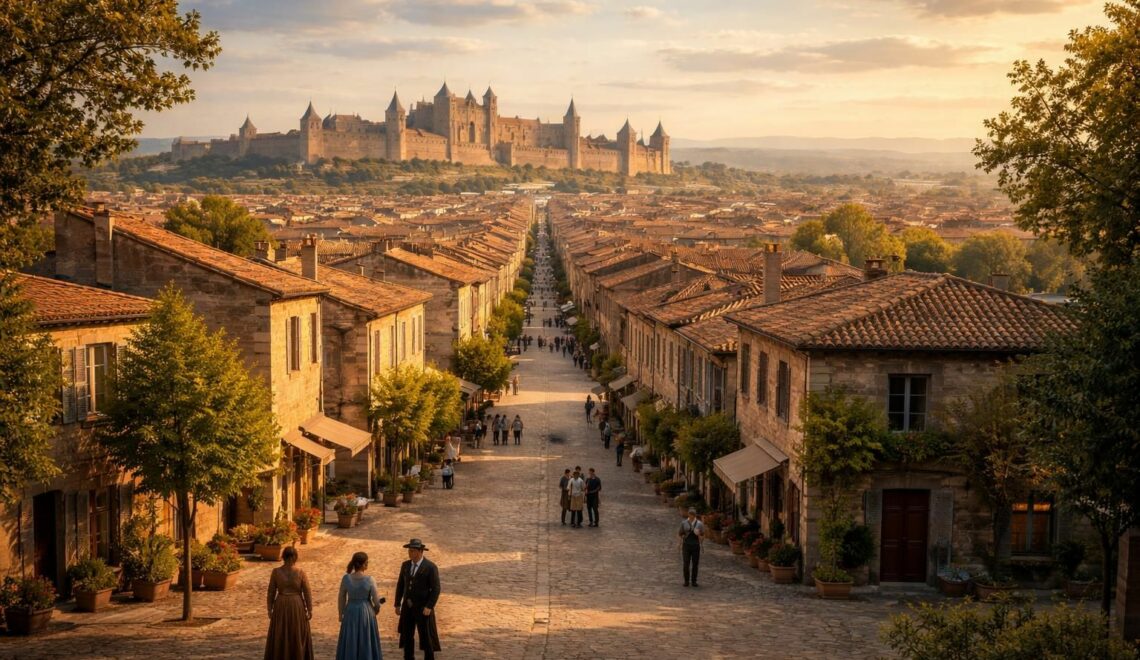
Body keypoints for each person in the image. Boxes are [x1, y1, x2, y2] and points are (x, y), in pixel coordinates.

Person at [264, 547, 314, 660]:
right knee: (296, 632)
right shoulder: (300, 572)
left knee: (281, 632)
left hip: (281, 604)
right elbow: (307, 592)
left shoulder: (276, 572)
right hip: (296, 605)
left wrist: (269, 608)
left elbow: (271, 592)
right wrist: (309, 609)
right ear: (295, 557)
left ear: (283, 557)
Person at [395, 539, 441, 660]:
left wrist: (429, 606)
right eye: (409, 550)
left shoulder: (430, 567)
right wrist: (397, 604)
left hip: (423, 607)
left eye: (413, 551)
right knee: (407, 635)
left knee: (426, 637)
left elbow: (436, 589)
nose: (410, 553)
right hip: (408, 607)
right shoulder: (405, 565)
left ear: (420, 552)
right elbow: (400, 585)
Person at [336, 552, 384, 660]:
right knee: (366, 639)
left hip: (350, 611)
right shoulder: (370, 579)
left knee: (350, 639)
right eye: (367, 562)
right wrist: (375, 610)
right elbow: (377, 601)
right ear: (363, 564)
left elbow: (341, 597)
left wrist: (340, 614)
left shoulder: (346, 578)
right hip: (366, 612)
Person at [678, 508, 704, 587]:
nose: (691, 516)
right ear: (688, 514)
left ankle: (694, 581)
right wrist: (680, 542)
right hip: (686, 545)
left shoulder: (699, 524)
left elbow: (703, 535)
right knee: (686, 563)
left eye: (693, 514)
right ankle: (686, 581)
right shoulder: (684, 523)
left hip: (695, 545)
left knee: (695, 564)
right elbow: (680, 533)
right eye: (690, 514)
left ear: (695, 515)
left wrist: (699, 536)